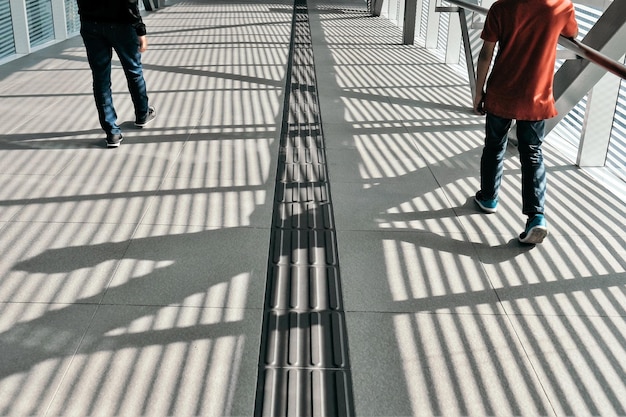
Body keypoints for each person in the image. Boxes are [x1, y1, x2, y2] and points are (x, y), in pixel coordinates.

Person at [472, 0, 578, 244]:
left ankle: (488, 197)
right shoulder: (561, 6)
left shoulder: (501, 7)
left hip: (501, 93)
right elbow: (572, 33)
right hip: (535, 95)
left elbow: (486, 53)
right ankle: (536, 216)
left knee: (494, 145)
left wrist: (479, 92)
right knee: (531, 152)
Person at [78, 0, 156, 148]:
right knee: (134, 71)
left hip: (91, 23)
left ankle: (112, 132)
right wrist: (140, 29)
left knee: (100, 78)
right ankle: (142, 114)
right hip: (122, 23)